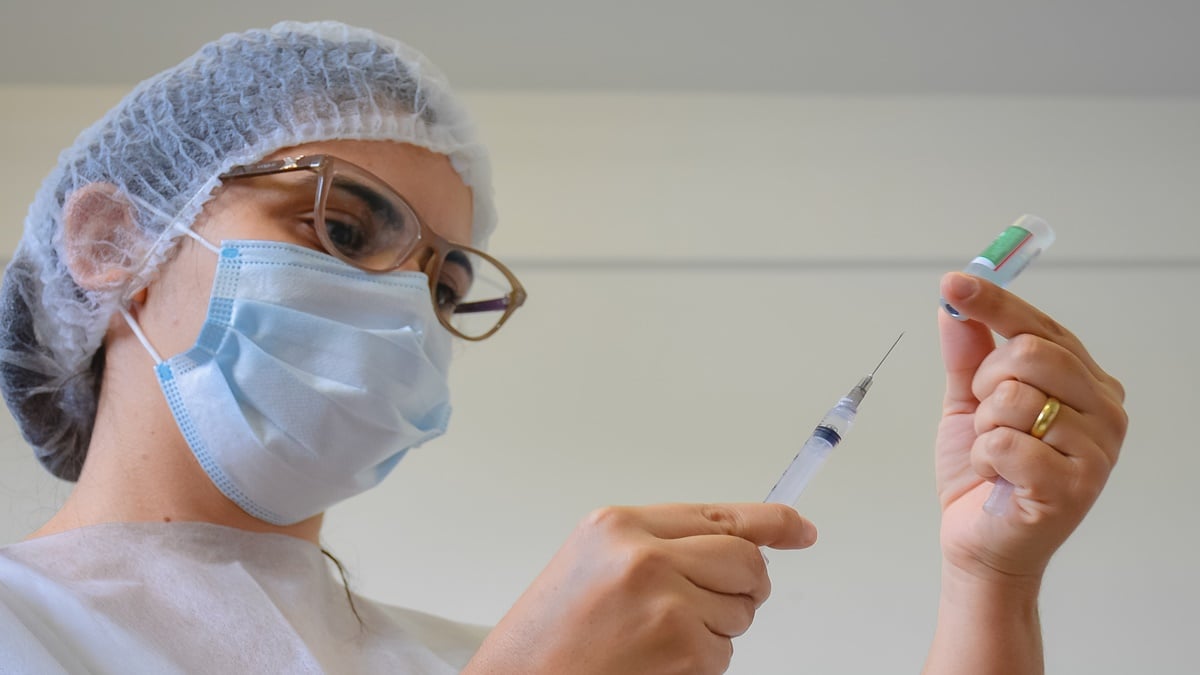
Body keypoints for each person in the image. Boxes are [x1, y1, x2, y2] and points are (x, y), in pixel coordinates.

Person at [0, 21, 1127, 675]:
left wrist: (994, 581)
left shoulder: (475, 654)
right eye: (341, 228)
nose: (403, 307)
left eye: (444, 281)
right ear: (112, 241)